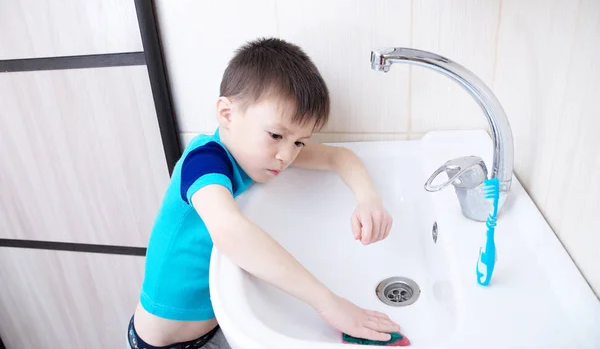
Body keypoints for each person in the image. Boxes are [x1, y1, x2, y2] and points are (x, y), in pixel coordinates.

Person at [127, 37, 401, 349]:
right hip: (162, 344)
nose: (287, 155)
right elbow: (231, 232)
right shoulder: (203, 161)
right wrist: (328, 303)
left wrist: (368, 200)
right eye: (276, 135)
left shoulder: (261, 155)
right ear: (227, 114)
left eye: (299, 142)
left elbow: (341, 157)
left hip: (213, 326)